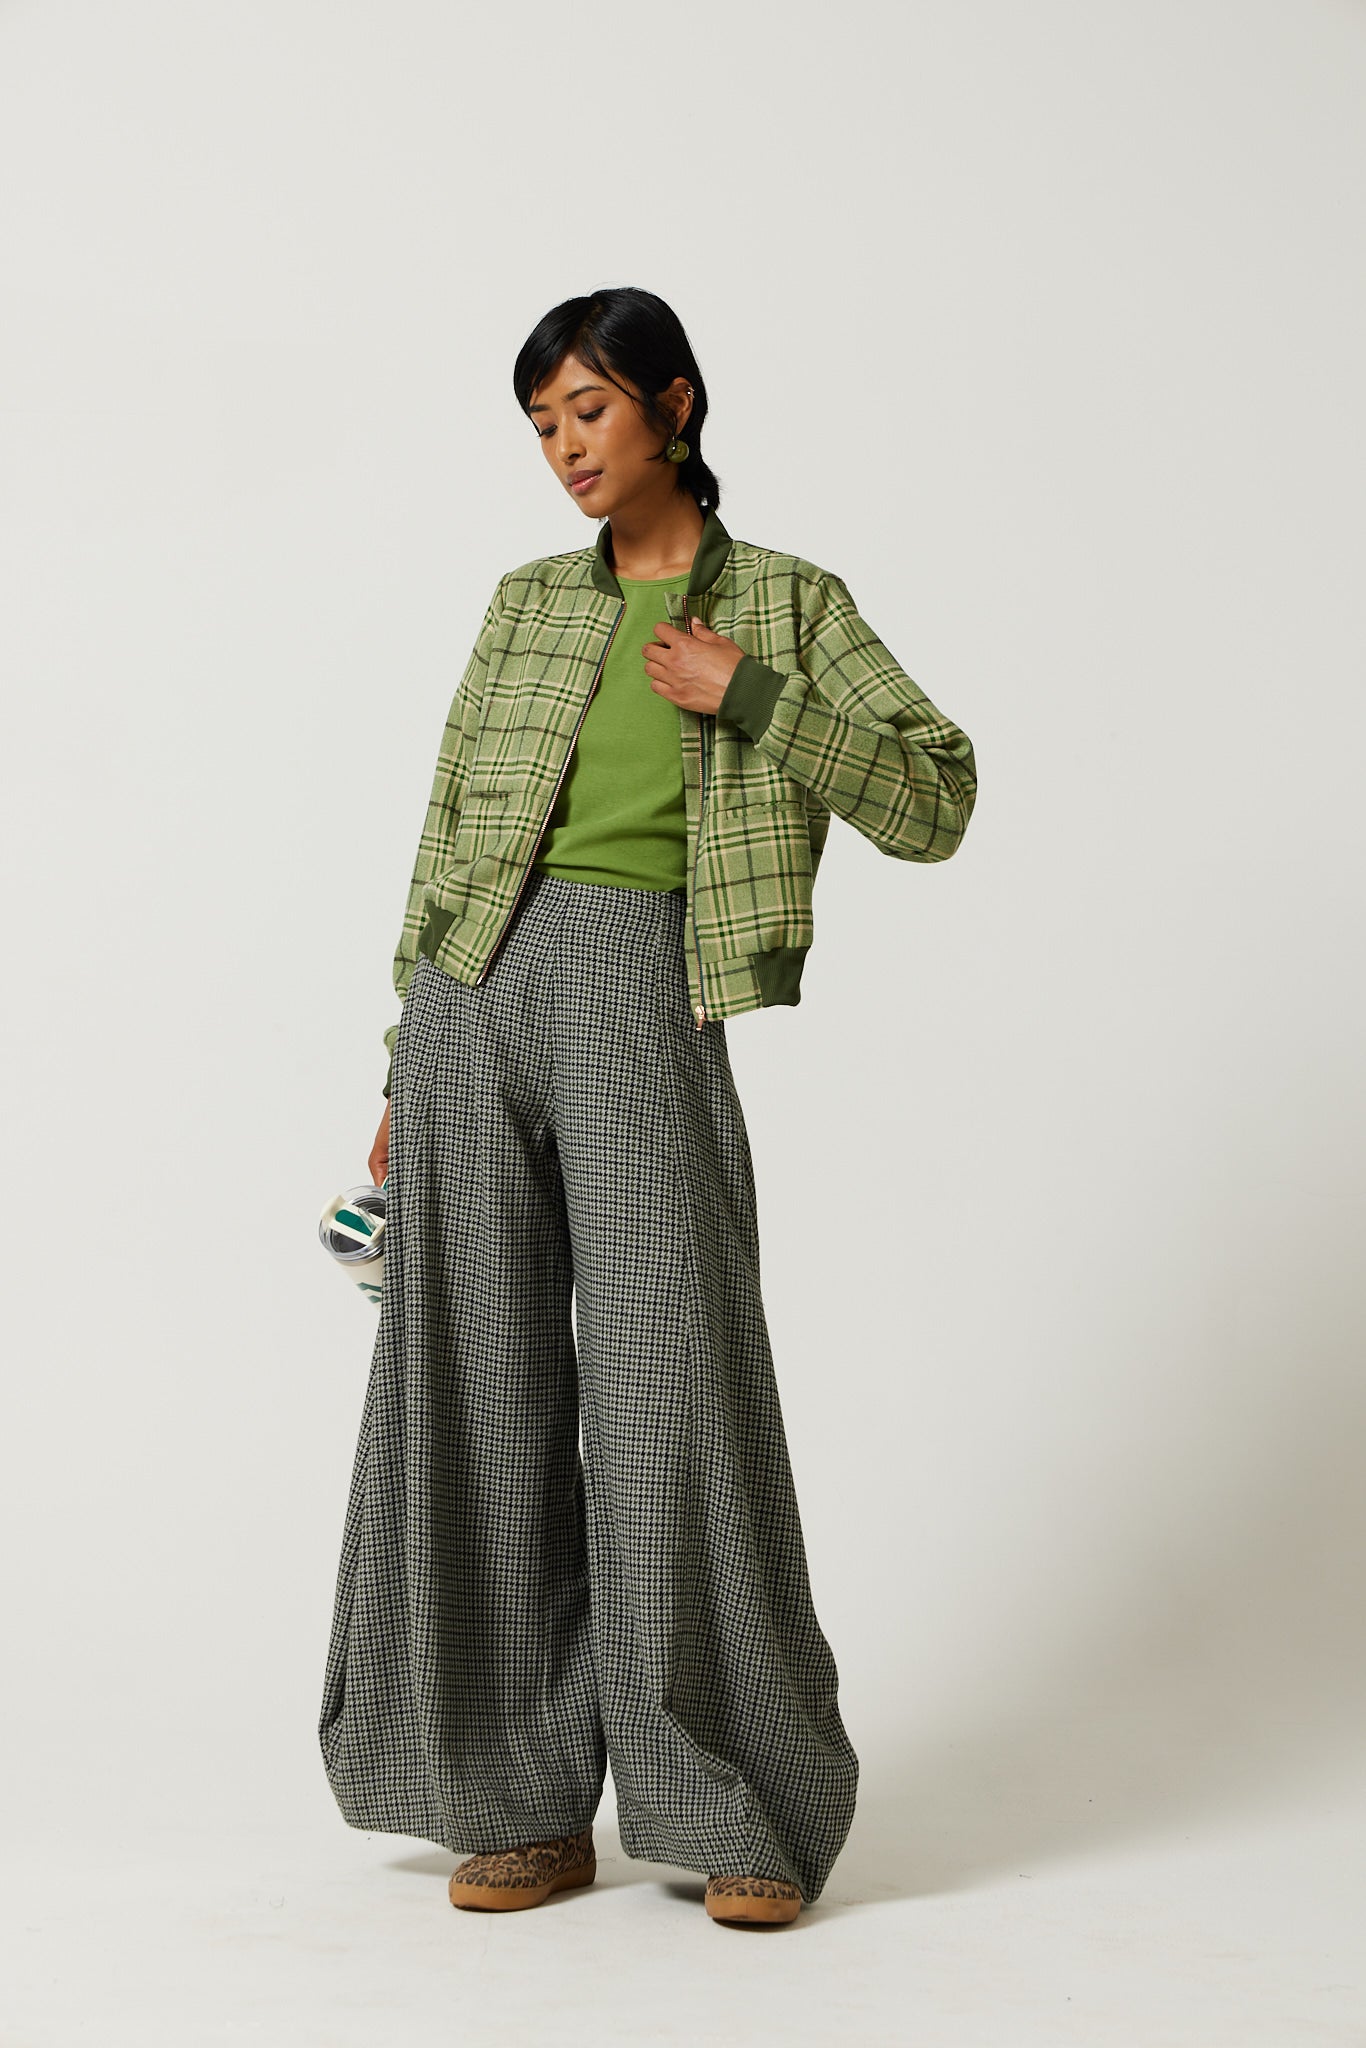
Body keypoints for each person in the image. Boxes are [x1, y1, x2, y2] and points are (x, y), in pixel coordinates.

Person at [317, 286, 978, 1929]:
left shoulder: (789, 603)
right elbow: (446, 828)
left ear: (673, 404)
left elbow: (935, 796)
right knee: (473, 1388)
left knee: (669, 1381)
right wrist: (401, 1059)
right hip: (469, 993)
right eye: (541, 424)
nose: (564, 449)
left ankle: (737, 1806)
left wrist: (753, 694)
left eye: (588, 412)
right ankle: (512, 1803)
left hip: (637, 982)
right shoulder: (526, 603)